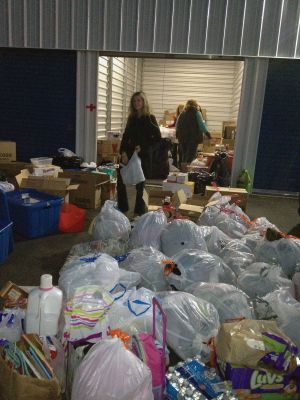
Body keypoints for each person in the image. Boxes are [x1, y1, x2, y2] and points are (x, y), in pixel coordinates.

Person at [117, 91, 161, 216]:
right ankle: (123, 207)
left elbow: (157, 138)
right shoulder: (131, 118)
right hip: (129, 153)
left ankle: (139, 211)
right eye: (134, 101)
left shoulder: (150, 118)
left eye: (139, 100)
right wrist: (123, 152)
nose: (136, 103)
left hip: (143, 155)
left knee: (140, 185)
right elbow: (126, 136)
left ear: (143, 102)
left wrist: (143, 146)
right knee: (120, 179)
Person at [176, 99, 211, 166]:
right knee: (191, 156)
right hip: (193, 138)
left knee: (184, 155)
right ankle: (189, 173)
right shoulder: (197, 113)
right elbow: (202, 125)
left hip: (182, 138)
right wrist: (208, 134)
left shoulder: (182, 113)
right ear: (195, 105)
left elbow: (177, 125)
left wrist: (177, 135)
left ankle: (183, 172)